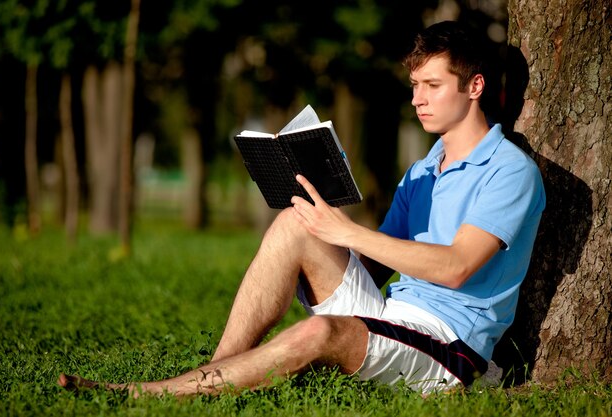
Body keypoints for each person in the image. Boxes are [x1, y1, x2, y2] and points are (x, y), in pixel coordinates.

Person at [58, 20, 545, 396]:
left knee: (320, 332)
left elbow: (458, 267)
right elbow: (375, 267)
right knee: (295, 222)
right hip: (392, 313)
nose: (417, 99)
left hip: (451, 349)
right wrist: (319, 222)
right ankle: (214, 370)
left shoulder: (510, 170)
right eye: (414, 85)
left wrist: (348, 234)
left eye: (432, 86)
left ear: (474, 87)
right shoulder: (424, 168)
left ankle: (153, 396)